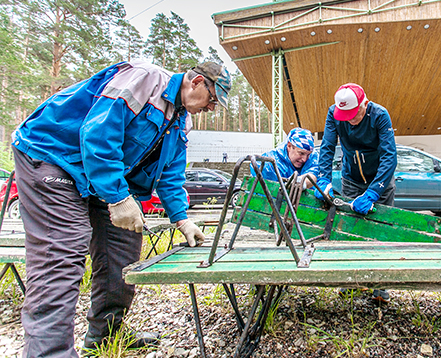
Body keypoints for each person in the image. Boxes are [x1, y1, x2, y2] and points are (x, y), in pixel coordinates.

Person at [12, 60, 231, 356]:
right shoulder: (146, 80)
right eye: (213, 100)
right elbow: (98, 133)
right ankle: (48, 351)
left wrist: (181, 219)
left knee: (123, 248)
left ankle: (104, 335)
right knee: (63, 250)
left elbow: (171, 173)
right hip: (53, 156)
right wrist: (117, 197)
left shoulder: (181, 120)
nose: (211, 109)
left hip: (100, 173)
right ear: (197, 83)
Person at [315, 83, 397, 303]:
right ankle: (352, 280)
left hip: (379, 180)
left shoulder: (379, 115)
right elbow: (328, 146)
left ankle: (381, 285)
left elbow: (390, 156)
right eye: (346, 115)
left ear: (364, 104)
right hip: (351, 178)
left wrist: (373, 192)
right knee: (350, 231)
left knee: (381, 233)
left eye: (354, 114)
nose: (350, 120)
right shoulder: (334, 114)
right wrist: (324, 178)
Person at [252, 127, 319, 189]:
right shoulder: (268, 163)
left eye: (308, 155)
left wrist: (301, 182)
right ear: (289, 146)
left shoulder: (312, 156)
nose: (304, 159)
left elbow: (313, 173)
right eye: (301, 153)